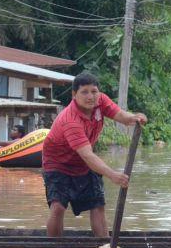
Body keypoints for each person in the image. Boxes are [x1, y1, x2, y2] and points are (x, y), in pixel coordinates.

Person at [42, 73, 147, 238]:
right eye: (84, 92)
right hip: (58, 163)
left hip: (84, 160)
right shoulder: (70, 120)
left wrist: (135, 117)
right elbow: (88, 156)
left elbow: (122, 116)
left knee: (97, 204)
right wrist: (112, 174)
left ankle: (104, 245)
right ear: (74, 94)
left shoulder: (101, 101)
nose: (90, 96)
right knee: (58, 207)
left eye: (94, 91)